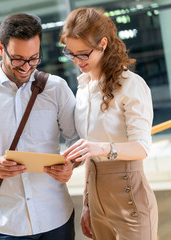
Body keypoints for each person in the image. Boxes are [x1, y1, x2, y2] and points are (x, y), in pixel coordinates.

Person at [0, 13, 78, 239]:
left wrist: (72, 164)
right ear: (1, 48)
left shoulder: (56, 88)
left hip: (56, 217)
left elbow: (77, 140)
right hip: (8, 225)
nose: (26, 67)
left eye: (34, 58)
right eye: (19, 59)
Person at [60, 7, 158, 240]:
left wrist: (101, 147)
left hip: (129, 197)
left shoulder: (130, 85)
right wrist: (86, 205)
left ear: (103, 44)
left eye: (83, 54)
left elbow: (142, 147)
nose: (76, 61)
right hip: (96, 200)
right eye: (70, 53)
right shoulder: (83, 88)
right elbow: (89, 157)